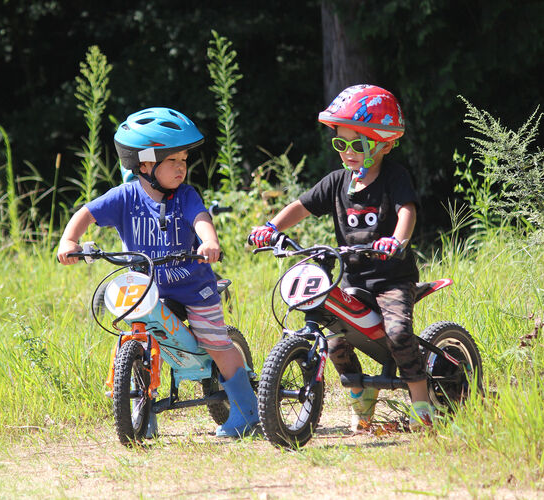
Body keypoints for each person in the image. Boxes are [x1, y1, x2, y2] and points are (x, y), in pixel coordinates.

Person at [58, 107, 259, 438]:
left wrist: (208, 241)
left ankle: (246, 411)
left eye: (184, 160)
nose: (181, 167)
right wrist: (69, 240)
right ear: (146, 164)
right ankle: (141, 413)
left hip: (193, 288)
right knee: (140, 339)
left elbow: (201, 219)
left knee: (215, 342)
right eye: (173, 161)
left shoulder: (185, 196)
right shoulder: (125, 197)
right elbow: (86, 213)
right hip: (148, 287)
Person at [249, 85, 433, 432]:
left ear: (385, 144)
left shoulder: (394, 177)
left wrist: (397, 239)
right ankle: (360, 395)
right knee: (334, 337)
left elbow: (407, 210)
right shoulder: (336, 183)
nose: (348, 152)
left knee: (397, 332)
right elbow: (301, 206)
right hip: (353, 279)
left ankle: (422, 403)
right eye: (341, 143)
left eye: (358, 144)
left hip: (391, 279)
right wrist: (271, 227)